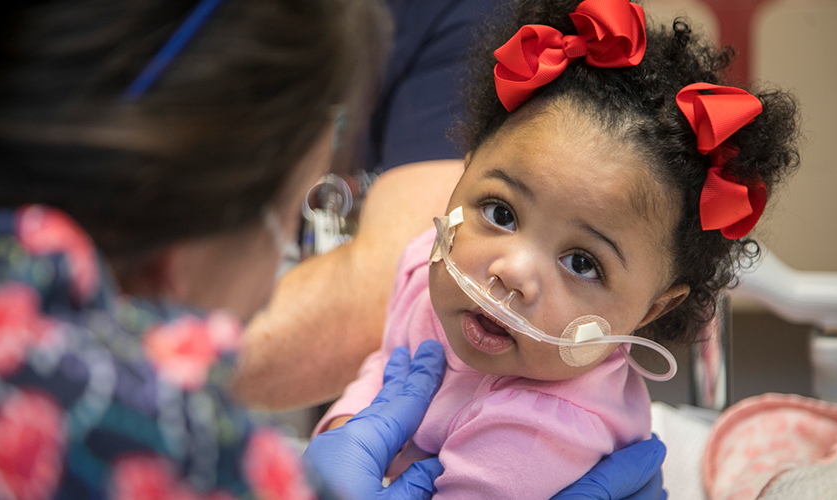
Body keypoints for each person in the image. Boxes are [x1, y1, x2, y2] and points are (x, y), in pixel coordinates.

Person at [0, 1, 667, 499]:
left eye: (583, 262)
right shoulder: (189, 443)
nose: (511, 271)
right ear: (181, 245)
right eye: (295, 216)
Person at [313, 0, 801, 498]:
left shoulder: (542, 430)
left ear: (652, 308)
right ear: (464, 173)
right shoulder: (430, 267)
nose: (511, 272)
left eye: (582, 263)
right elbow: (385, 365)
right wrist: (346, 425)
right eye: (500, 212)